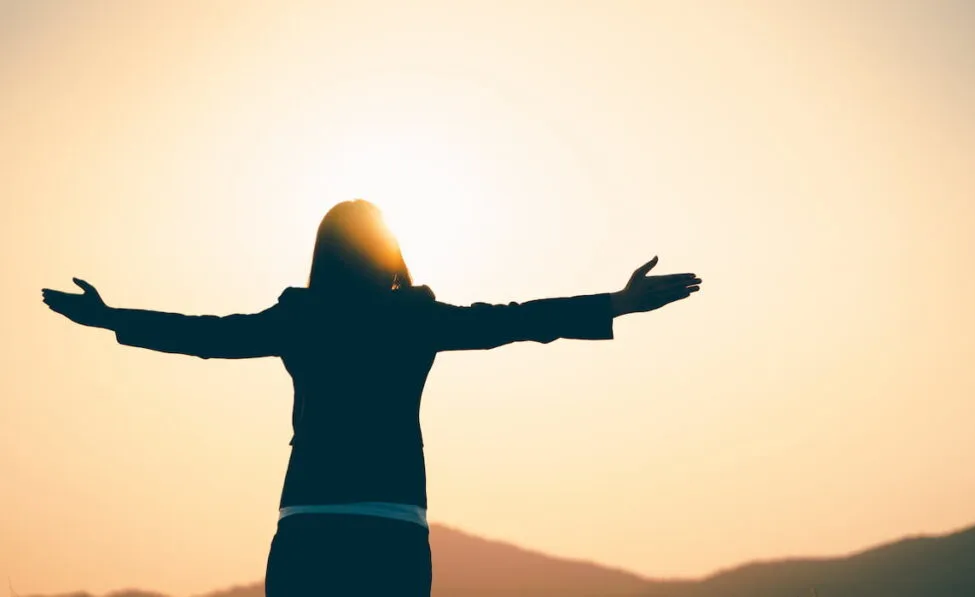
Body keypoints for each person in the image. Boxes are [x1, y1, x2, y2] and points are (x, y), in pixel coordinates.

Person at [41, 199, 702, 596]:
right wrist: (620, 302)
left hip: (309, 525)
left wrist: (110, 317)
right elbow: (517, 320)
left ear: (321, 256)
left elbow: (207, 337)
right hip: (391, 527)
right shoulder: (415, 319)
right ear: (388, 254)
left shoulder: (300, 318)